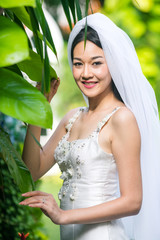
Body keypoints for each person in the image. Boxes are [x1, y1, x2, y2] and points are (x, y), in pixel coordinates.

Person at [20, 13, 160, 240]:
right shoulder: (72, 119)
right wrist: (38, 107)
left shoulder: (122, 119)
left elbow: (133, 201)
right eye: (78, 64)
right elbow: (32, 171)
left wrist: (63, 216)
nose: (86, 73)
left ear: (112, 64)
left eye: (96, 63)